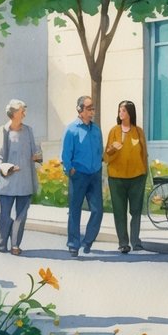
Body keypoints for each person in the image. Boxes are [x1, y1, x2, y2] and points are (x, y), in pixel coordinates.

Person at [0, 99, 42, 256]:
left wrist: (37, 156)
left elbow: (37, 152)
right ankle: (2, 242)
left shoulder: (28, 131)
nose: (24, 114)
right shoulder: (3, 131)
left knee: (21, 216)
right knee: (5, 216)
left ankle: (15, 245)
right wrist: (5, 167)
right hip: (8, 181)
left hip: (25, 181)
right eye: (22, 111)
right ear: (13, 114)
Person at [104, 100, 149, 254]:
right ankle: (123, 242)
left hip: (137, 177)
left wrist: (145, 173)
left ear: (130, 113)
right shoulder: (114, 131)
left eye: (123, 110)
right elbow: (106, 154)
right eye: (119, 110)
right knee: (119, 210)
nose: (120, 113)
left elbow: (144, 154)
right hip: (117, 177)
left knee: (136, 210)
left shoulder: (138, 131)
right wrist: (112, 148)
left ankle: (136, 241)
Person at [62, 95, 104, 257]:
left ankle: (87, 240)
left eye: (93, 108)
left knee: (98, 210)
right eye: (89, 108)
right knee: (75, 210)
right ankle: (73, 244)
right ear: (80, 110)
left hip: (94, 174)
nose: (92, 111)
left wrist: (99, 167)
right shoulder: (71, 129)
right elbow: (66, 154)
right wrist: (70, 170)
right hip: (78, 174)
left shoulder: (96, 129)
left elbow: (100, 149)